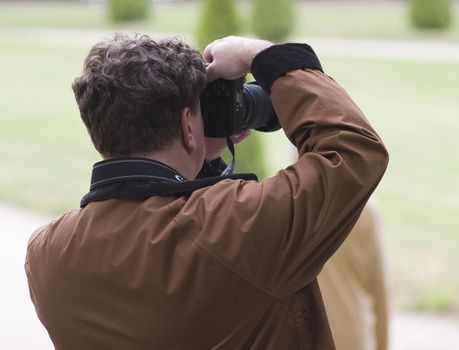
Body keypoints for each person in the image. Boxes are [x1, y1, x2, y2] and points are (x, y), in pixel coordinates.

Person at [25, 34, 388, 349]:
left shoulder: (46, 254)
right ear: (186, 125)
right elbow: (354, 152)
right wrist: (257, 54)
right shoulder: (236, 228)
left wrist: (197, 160)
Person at [318, 200, 390, 350]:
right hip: (352, 336)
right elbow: (380, 289)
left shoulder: (292, 205)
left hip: (306, 333)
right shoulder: (365, 209)